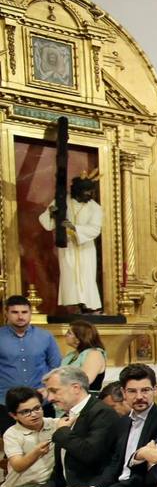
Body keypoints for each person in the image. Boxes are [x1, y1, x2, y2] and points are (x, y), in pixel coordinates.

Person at [40, 365, 121, 487]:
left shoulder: (102, 413)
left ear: (76, 388)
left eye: (54, 391)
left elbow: (90, 454)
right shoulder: (66, 417)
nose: (49, 398)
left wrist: (63, 431)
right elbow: (62, 468)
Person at [39, 173, 104, 312]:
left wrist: (74, 228)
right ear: (77, 191)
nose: (88, 196)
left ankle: (89, 305)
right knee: (70, 274)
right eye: (85, 193)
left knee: (86, 275)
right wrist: (52, 212)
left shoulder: (95, 207)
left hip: (85, 246)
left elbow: (95, 228)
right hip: (67, 246)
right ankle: (74, 304)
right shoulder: (62, 201)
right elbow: (46, 222)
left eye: (90, 193)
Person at [0, 295, 61, 430]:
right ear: (6, 313)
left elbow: (56, 367)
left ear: (30, 313)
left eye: (24, 312)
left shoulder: (45, 336)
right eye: (15, 312)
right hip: (6, 403)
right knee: (10, 445)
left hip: (41, 402)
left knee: (47, 443)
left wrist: (48, 389)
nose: (20, 317)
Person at [3, 387, 58, 487]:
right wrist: (36, 452)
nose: (34, 414)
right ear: (14, 415)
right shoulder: (12, 434)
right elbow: (18, 466)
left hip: (48, 486)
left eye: (37, 408)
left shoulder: (55, 424)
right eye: (25, 412)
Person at [59, 320, 107, 392]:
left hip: (86, 397)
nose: (65, 335)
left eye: (69, 333)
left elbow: (85, 380)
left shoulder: (94, 354)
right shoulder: (71, 355)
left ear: (79, 338)